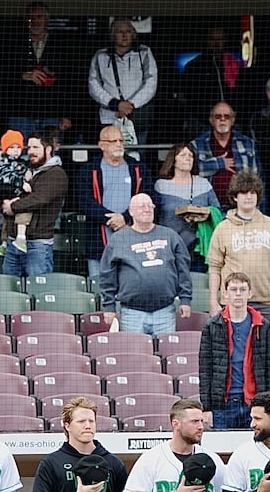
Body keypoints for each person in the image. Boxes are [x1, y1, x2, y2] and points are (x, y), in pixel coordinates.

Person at [97, 193, 192, 335]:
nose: (147, 209)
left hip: (165, 311)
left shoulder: (170, 236)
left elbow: (183, 269)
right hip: (132, 313)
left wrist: (185, 299)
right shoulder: (118, 240)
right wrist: (109, 307)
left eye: (150, 206)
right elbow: (107, 274)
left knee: (166, 354)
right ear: (131, 211)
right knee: (135, 355)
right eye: (142, 206)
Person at [205, 171, 270, 321]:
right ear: (235, 197)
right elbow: (214, 267)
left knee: (264, 345)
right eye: (243, 193)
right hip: (233, 302)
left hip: (267, 302)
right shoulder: (222, 228)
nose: (249, 197)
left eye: (252, 192)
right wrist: (213, 301)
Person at [199, 271, 270, 431]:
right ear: (225, 293)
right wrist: (206, 407)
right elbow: (205, 370)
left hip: (255, 405)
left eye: (242, 289)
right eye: (234, 289)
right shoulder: (212, 326)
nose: (238, 294)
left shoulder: (263, 326)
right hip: (223, 405)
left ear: (250, 293)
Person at [78, 125, 146, 280]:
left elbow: (148, 198)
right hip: (98, 243)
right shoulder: (89, 170)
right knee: (100, 291)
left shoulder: (137, 168)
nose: (119, 144)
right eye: (113, 140)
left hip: (133, 240)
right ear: (102, 145)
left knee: (131, 287)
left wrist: (125, 218)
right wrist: (111, 219)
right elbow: (84, 202)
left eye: (121, 140)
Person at [1, 129, 67, 279]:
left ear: (48, 149)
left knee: (38, 293)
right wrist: (4, 204)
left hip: (38, 244)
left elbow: (39, 199)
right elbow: (2, 191)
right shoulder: (20, 169)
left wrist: (12, 206)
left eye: (36, 147)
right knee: (9, 293)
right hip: (12, 241)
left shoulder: (56, 173)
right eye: (29, 147)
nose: (31, 151)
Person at [1, 1, 75, 133]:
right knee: (20, 152)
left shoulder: (62, 45)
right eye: (31, 18)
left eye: (39, 17)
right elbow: (0, 73)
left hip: (52, 112)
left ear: (47, 20)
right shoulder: (13, 44)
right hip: (20, 112)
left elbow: (70, 82)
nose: (35, 21)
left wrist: (67, 114)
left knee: (50, 152)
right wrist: (23, 75)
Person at [89, 18, 159, 143]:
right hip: (109, 116)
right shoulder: (101, 55)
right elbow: (93, 84)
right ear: (112, 35)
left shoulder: (144, 52)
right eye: (120, 32)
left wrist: (131, 105)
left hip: (138, 115)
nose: (125, 35)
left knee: (137, 154)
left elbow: (151, 82)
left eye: (128, 31)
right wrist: (115, 104)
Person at [193, 102, 262, 207]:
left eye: (227, 116)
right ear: (211, 120)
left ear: (233, 120)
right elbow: (192, 172)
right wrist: (218, 164)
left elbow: (257, 178)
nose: (222, 119)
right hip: (207, 208)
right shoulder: (197, 144)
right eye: (218, 117)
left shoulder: (247, 143)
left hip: (241, 208)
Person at [151, 142, 217, 246]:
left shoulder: (204, 184)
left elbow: (218, 211)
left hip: (200, 244)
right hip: (170, 244)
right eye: (183, 155)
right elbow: (154, 215)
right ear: (173, 161)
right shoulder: (161, 185)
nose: (188, 158)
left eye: (191, 155)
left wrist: (207, 214)